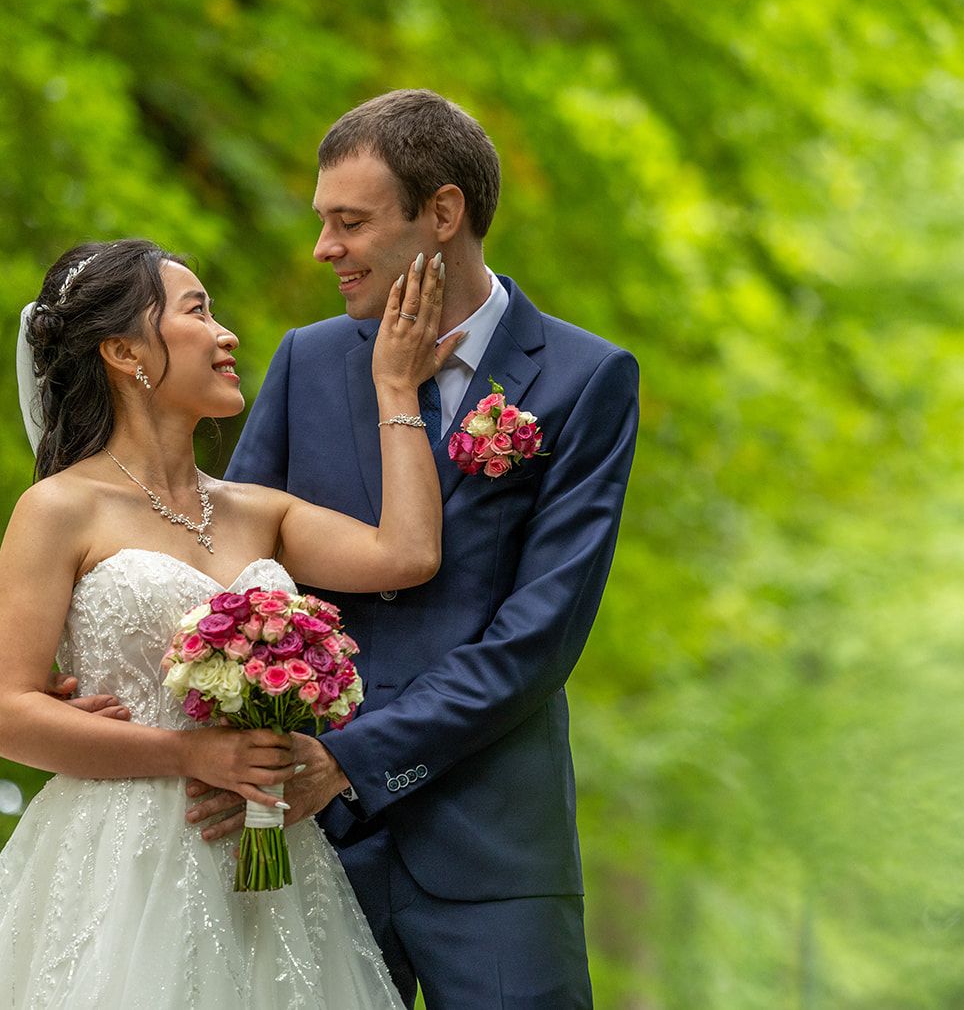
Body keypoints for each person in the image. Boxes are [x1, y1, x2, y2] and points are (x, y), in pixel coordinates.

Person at [185, 90, 640, 1008]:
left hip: (495, 855)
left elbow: (538, 639)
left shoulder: (588, 381)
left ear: (442, 212)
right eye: (323, 222)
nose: (324, 248)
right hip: (304, 840)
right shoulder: (306, 362)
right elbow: (228, 574)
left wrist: (351, 758)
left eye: (349, 222)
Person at [0, 238, 459, 1008]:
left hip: (270, 861)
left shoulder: (258, 508)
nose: (227, 333)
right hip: (124, 862)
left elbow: (409, 553)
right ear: (123, 350)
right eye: (198, 311)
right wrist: (190, 752)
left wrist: (396, 389)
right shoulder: (57, 509)